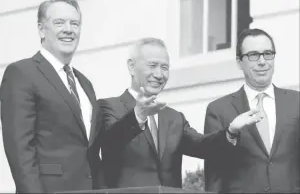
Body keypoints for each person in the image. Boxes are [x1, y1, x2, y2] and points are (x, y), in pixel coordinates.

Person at [97, 38, 261, 189]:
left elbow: (202, 146)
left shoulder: (174, 118)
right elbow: (110, 143)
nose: (159, 74)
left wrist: (231, 131)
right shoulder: (108, 107)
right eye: (152, 66)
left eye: (165, 67)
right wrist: (138, 115)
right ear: (131, 67)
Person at [0, 0, 104, 193]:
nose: (68, 29)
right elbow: (20, 151)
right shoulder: (22, 73)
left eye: (75, 23)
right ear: (41, 29)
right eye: (59, 22)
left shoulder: (85, 84)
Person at [204, 28, 300, 193]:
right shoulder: (219, 110)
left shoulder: (296, 102)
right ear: (239, 62)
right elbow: (214, 175)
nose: (262, 61)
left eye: (268, 53)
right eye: (253, 55)